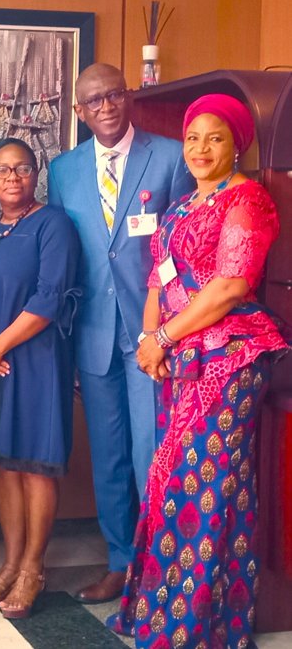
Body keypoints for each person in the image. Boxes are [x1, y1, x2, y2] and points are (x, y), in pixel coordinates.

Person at [107, 94, 288, 648]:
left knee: (202, 483)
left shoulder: (247, 199)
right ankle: (192, 618)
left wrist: (163, 337)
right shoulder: (183, 205)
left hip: (230, 359)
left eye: (215, 137)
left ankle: (192, 627)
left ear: (237, 144)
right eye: (192, 138)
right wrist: (149, 341)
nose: (201, 148)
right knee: (175, 481)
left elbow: (231, 285)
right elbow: (158, 282)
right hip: (181, 358)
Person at [47, 63, 195, 604]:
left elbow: (183, 248)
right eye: (93, 101)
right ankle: (120, 564)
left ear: (128, 97)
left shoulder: (172, 155)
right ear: (80, 111)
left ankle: (160, 569)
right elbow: (63, 255)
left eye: (113, 95)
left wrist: (169, 330)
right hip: (92, 336)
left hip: (155, 335)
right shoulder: (63, 171)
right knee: (108, 456)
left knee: (150, 453)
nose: (105, 107)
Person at [0, 138, 80, 619]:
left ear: (37, 175)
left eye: (23, 168)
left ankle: (34, 567)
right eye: (2, 169)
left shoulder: (53, 224)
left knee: (35, 462)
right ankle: (10, 562)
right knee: (6, 463)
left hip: (33, 358)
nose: (12, 177)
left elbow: (51, 296)